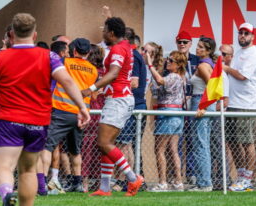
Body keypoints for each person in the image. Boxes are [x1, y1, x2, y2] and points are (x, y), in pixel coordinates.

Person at [0, 13, 90, 206]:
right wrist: (82, 107)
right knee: (28, 170)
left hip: (9, 120)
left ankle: (6, 194)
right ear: (35, 35)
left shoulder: (0, 57)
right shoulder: (50, 56)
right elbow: (68, 81)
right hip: (38, 122)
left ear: (11, 34)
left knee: (4, 167)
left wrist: (1, 88)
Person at [83, 16, 145, 197]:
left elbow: (114, 73)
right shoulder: (126, 46)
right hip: (119, 98)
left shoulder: (118, 48)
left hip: (118, 100)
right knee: (107, 144)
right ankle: (105, 187)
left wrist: (91, 88)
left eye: (104, 31)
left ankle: (133, 178)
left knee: (103, 142)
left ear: (111, 33)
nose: (102, 33)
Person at [38, 38, 98, 194]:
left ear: (75, 51)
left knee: (47, 146)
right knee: (75, 150)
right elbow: (94, 94)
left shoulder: (64, 62)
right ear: (89, 52)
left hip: (61, 111)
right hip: (81, 114)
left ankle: (42, 182)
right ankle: (77, 183)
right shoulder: (94, 70)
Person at [224, 22, 256, 192]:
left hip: (246, 105)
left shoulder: (254, 54)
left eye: (246, 33)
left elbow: (242, 76)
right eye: (240, 32)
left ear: (253, 36)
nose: (242, 36)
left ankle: (248, 178)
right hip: (232, 103)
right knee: (232, 141)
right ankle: (240, 175)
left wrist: (225, 68)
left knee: (247, 142)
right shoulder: (238, 52)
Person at [147, 50, 187, 191]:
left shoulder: (174, 76)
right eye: (168, 59)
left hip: (168, 114)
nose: (167, 62)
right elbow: (158, 87)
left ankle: (162, 182)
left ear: (178, 65)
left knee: (159, 149)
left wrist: (150, 66)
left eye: (171, 61)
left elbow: (160, 80)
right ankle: (177, 181)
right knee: (173, 150)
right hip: (176, 114)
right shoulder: (179, 77)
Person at [190, 37, 218, 191]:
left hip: (201, 103)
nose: (197, 49)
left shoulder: (203, 65)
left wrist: (204, 107)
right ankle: (204, 181)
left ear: (208, 51)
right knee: (203, 144)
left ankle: (205, 183)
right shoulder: (208, 64)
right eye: (198, 46)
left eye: (201, 47)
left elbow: (213, 87)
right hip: (203, 103)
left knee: (200, 144)